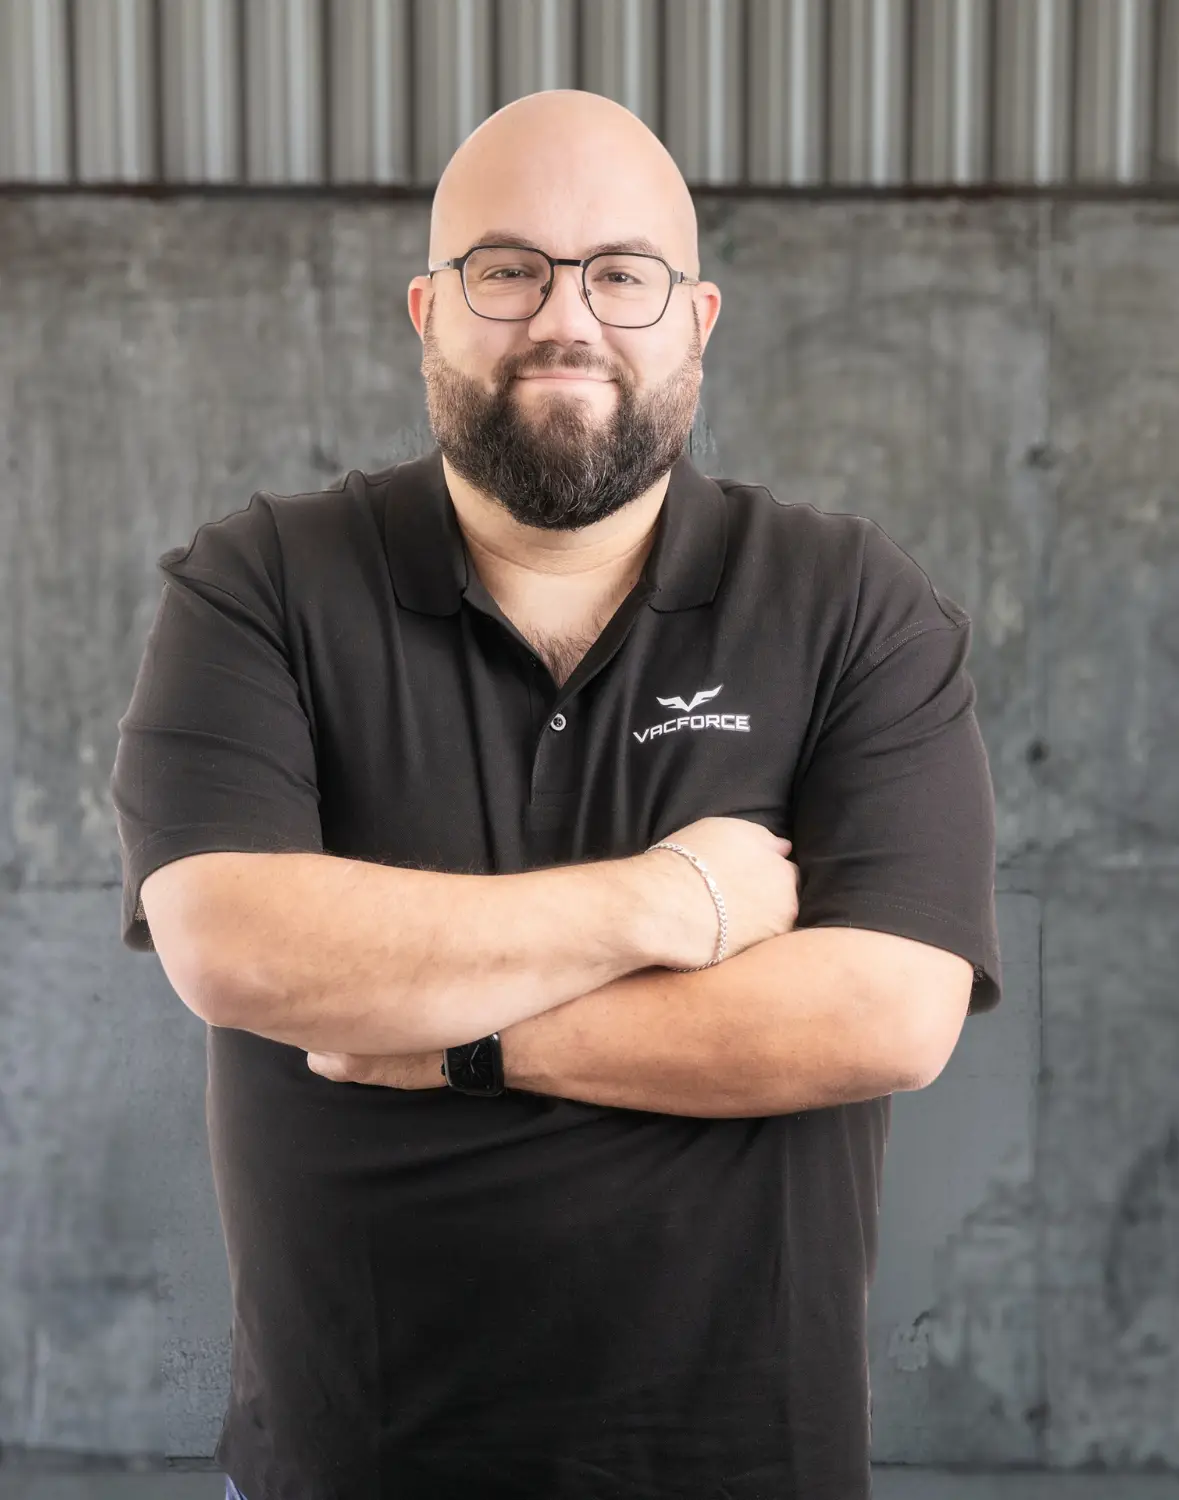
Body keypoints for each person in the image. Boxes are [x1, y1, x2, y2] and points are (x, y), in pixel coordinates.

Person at [110, 89, 1001, 1500]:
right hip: (351, 1468)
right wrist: (667, 900)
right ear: (427, 310)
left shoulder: (847, 605)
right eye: (507, 269)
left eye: (621, 274)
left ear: (697, 319)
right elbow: (236, 942)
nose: (565, 318)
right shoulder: (264, 583)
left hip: (743, 1468)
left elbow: (886, 1012)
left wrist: (452, 1041)